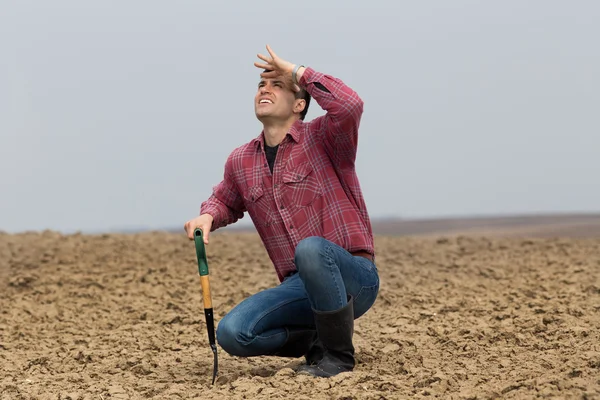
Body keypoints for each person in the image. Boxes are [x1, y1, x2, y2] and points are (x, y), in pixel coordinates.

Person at [183, 45, 379, 378]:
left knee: (312, 249)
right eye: (261, 85)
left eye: (277, 86)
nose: (265, 89)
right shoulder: (241, 160)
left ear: (299, 104)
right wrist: (208, 216)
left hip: (352, 277)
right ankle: (317, 339)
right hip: (298, 286)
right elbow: (226, 199)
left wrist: (297, 72)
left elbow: (349, 105)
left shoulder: (325, 138)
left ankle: (338, 357)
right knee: (233, 333)